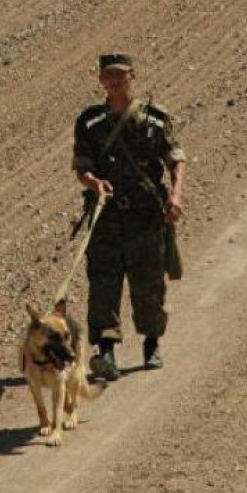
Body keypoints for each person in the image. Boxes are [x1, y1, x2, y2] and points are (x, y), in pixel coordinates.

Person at [72, 53, 187, 380]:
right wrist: (94, 183)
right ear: (101, 80)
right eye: (109, 75)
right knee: (103, 285)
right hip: (106, 218)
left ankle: (151, 344)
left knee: (148, 284)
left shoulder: (154, 119)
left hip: (146, 216)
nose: (115, 81)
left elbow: (175, 159)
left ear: (132, 77)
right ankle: (106, 351)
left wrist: (176, 195)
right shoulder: (90, 122)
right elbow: (81, 167)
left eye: (120, 75)